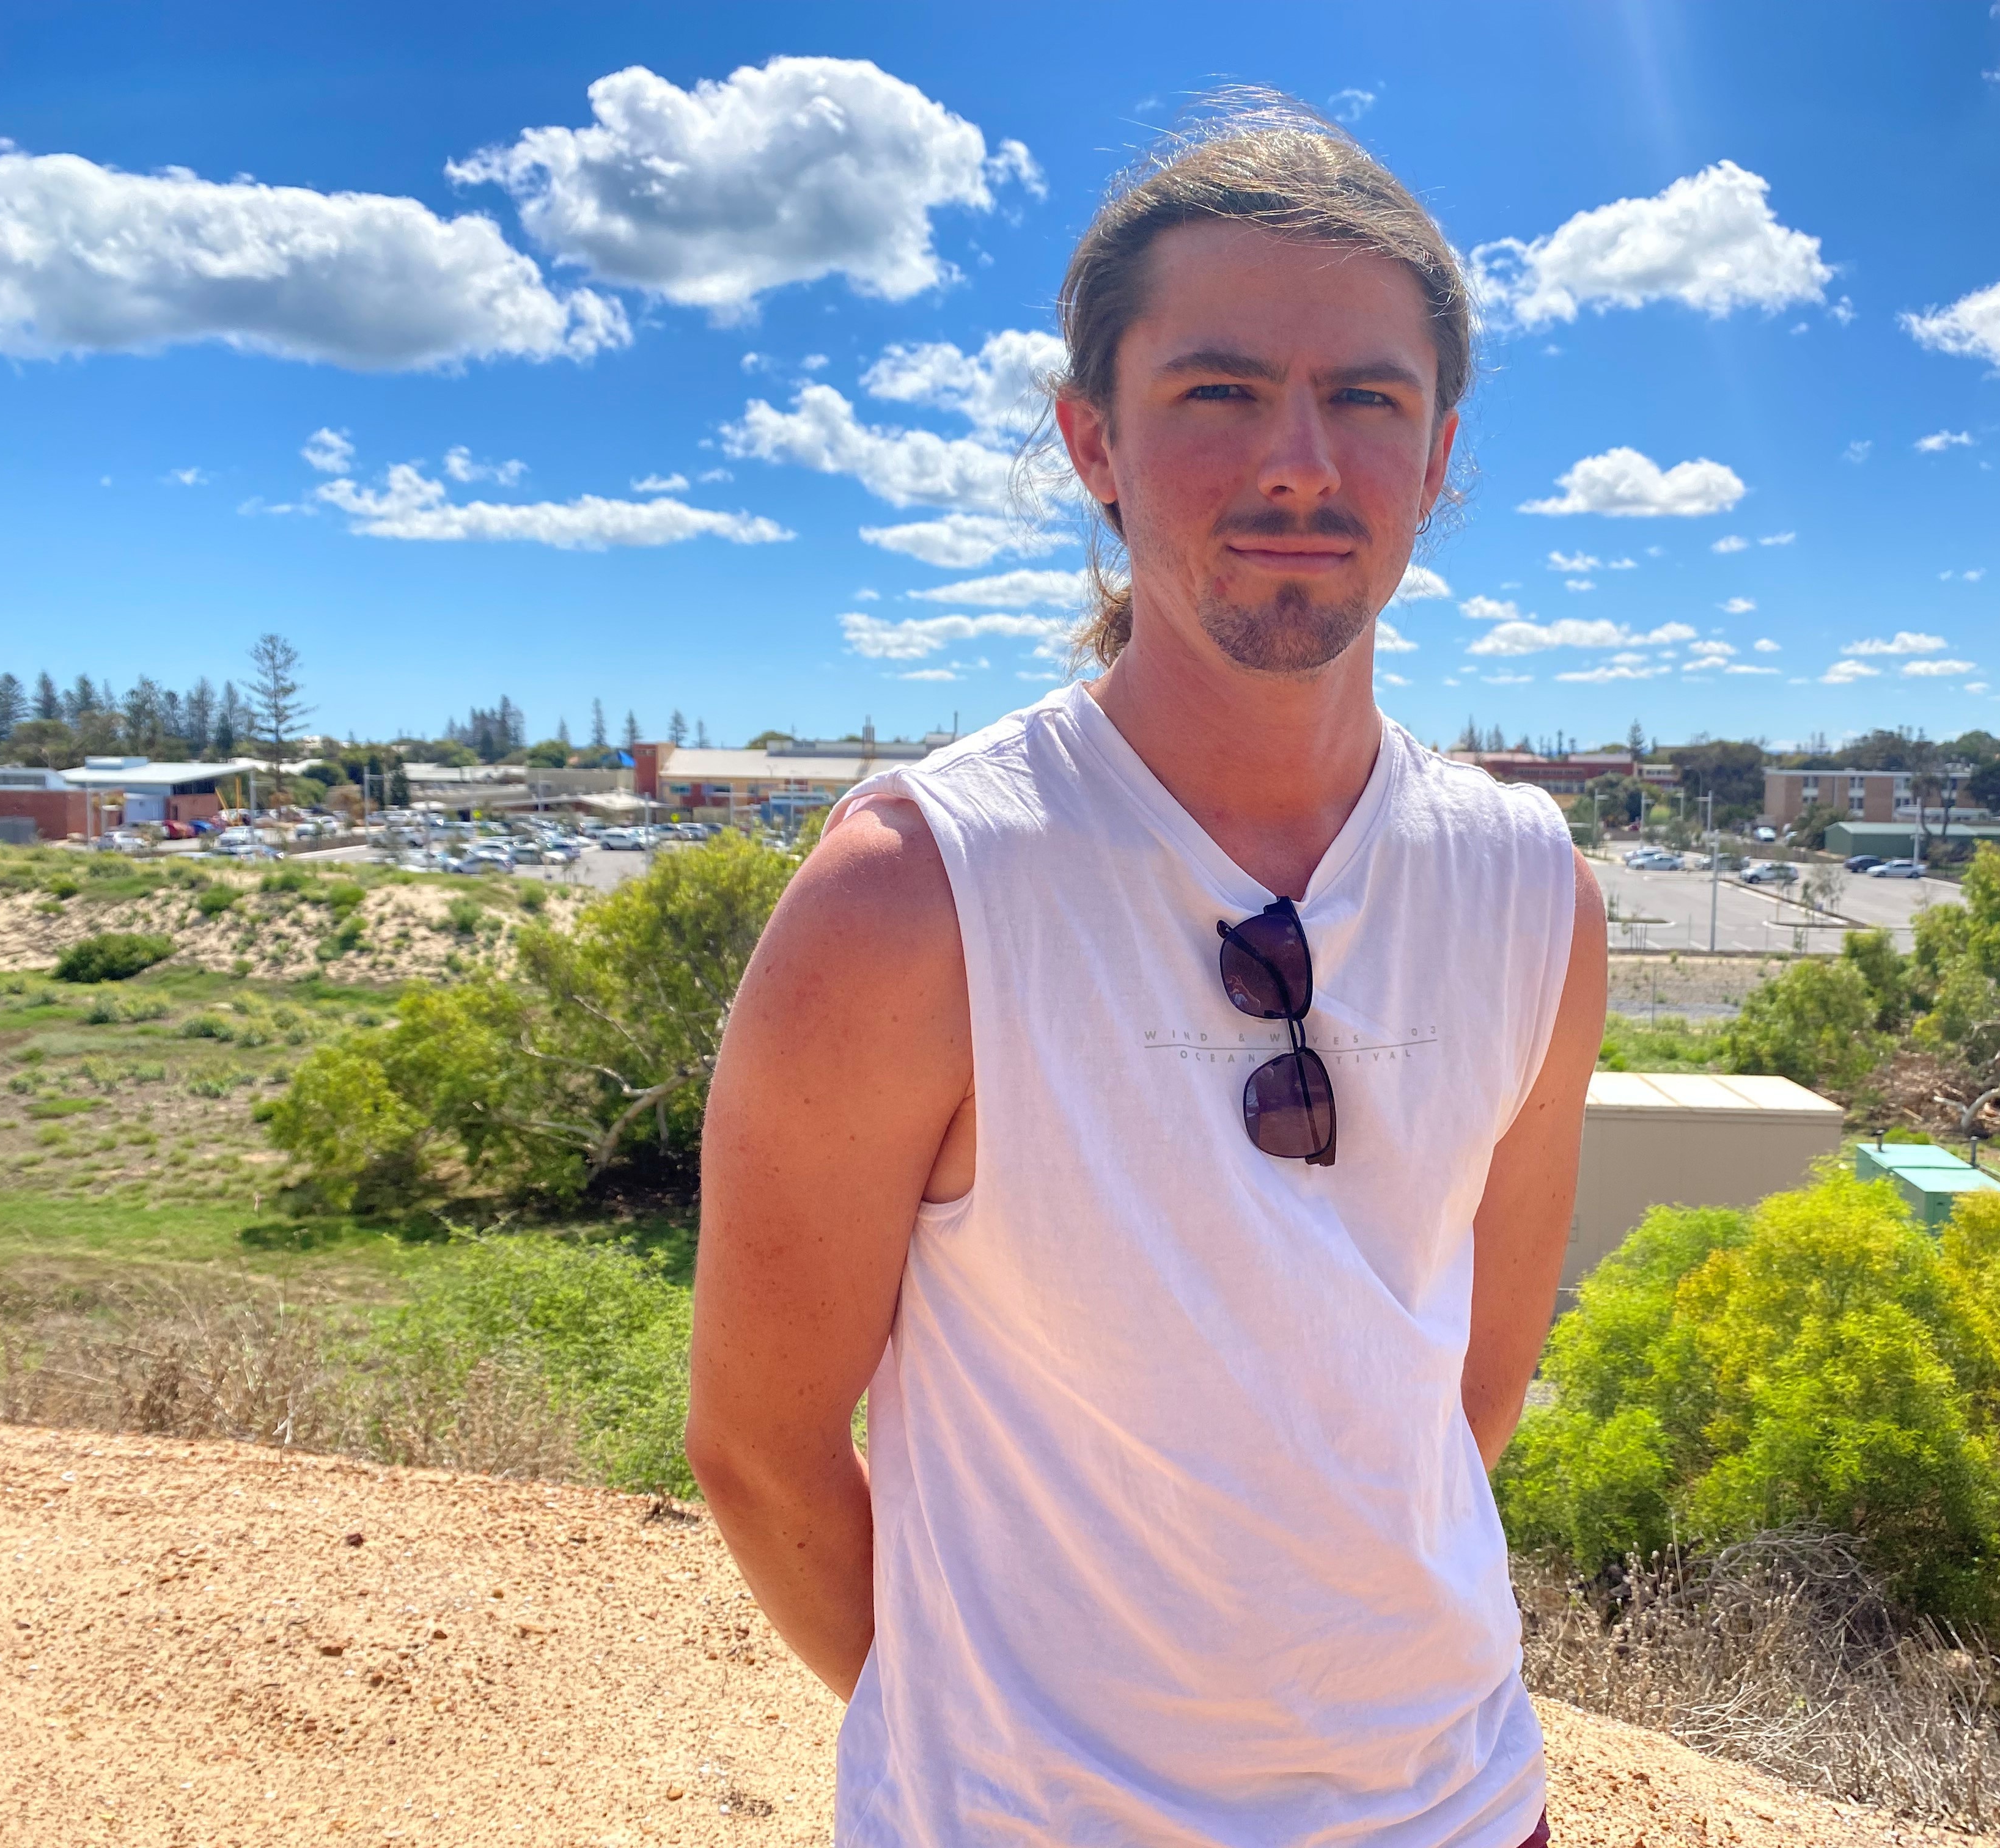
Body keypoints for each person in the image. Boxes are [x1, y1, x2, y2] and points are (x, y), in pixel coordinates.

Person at [688, 94, 1606, 1847]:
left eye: (1367, 399)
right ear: (1091, 441)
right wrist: (996, 1755)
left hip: (1461, 1811)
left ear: (1438, 456)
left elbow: (1466, 1398)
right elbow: (760, 1447)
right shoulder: (919, 896)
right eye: (1218, 390)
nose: (1300, 464)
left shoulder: (1530, 891)